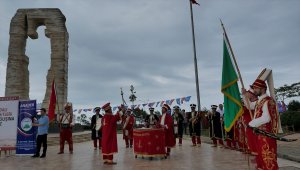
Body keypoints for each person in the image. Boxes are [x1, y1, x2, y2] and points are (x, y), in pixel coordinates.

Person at [245, 79, 279, 170]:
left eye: (256, 88)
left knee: (269, 160)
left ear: (262, 88)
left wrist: (251, 123)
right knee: (263, 159)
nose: (254, 90)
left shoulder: (268, 101)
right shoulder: (260, 101)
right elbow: (249, 106)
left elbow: (266, 118)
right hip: (260, 134)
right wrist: (245, 95)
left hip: (267, 135)